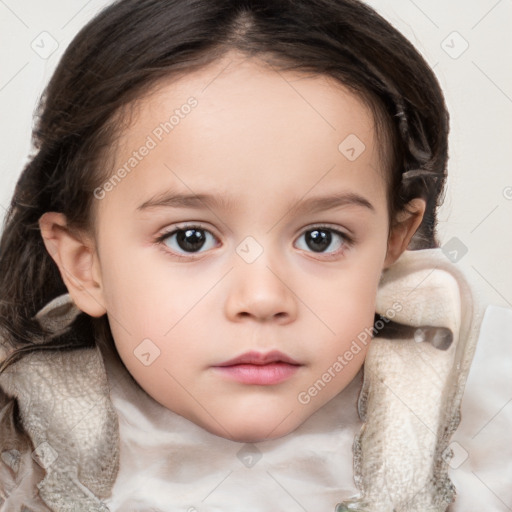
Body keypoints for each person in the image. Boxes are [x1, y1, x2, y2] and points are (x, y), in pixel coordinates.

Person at [0, 0, 498, 510]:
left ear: (393, 244)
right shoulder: (18, 474)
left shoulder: (489, 458)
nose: (262, 299)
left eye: (321, 238)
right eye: (189, 238)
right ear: (85, 264)